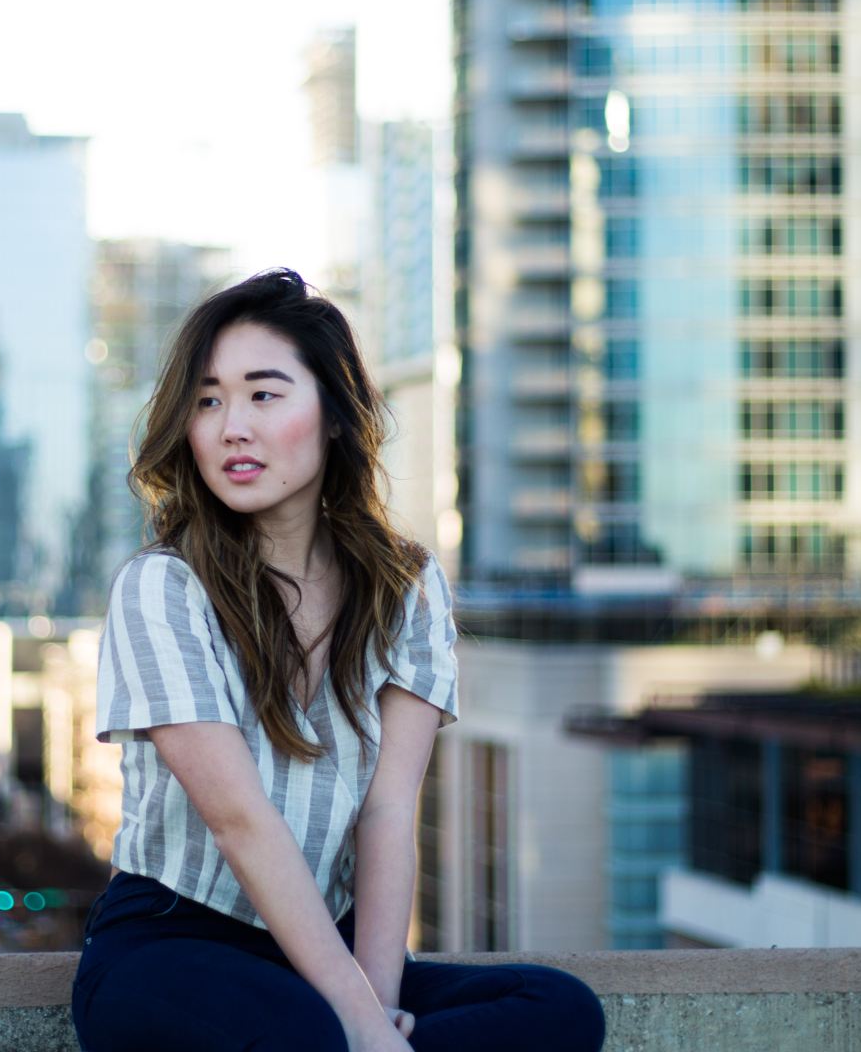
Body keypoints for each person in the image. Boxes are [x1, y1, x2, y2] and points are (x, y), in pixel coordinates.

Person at [70, 269, 605, 1052]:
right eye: (208, 400)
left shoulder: (406, 586)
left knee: (558, 1008)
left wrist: (375, 1008)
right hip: (171, 944)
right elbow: (237, 819)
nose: (230, 427)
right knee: (309, 1036)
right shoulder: (163, 587)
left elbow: (389, 813)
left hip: (335, 955)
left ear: (332, 417)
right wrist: (354, 1026)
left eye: (264, 394)